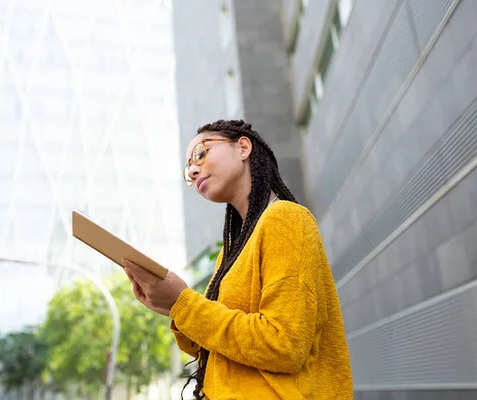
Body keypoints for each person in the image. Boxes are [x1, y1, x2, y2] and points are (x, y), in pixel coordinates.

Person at [122, 119, 353, 399]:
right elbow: (220, 347)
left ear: (243, 148)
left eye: (200, 154)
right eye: (189, 171)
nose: (193, 171)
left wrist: (183, 302)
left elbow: (284, 344)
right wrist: (173, 306)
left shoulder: (286, 219)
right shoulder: (230, 252)